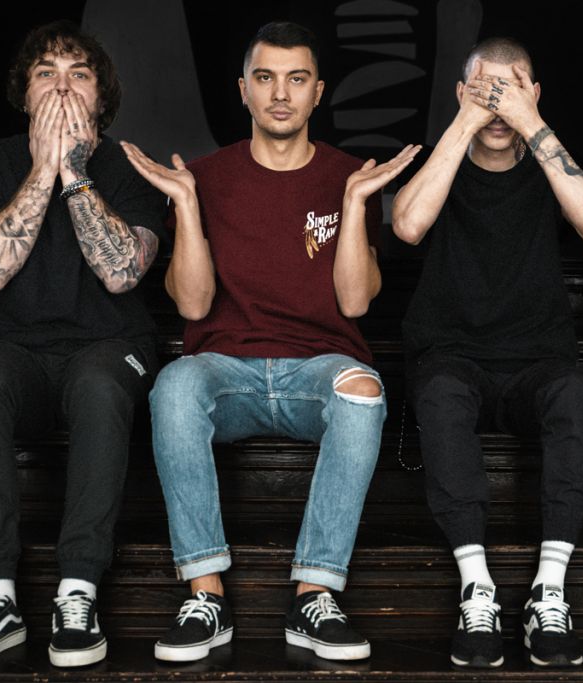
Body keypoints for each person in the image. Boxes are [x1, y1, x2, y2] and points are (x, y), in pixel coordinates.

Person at [122, 21, 420, 662]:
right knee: (174, 385)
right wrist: (187, 207)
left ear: (318, 92)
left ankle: (314, 595)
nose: (280, 94)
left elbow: (355, 303)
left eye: (296, 79)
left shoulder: (349, 176)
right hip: (226, 372)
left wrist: (355, 205)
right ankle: (206, 597)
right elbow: (193, 305)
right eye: (265, 78)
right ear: (243, 90)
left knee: (364, 391)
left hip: (318, 373)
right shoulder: (204, 177)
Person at [0, 20, 166, 668]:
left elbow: (121, 272)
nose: (63, 87)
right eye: (47, 73)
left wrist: (73, 172)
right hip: (12, 350)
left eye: (79, 74)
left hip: (108, 346)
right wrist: (42, 168)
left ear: (102, 96)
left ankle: (78, 591)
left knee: (99, 386)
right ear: (24, 92)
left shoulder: (131, 167)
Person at [391, 37, 583, 668]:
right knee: (439, 392)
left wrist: (529, 123)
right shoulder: (449, 158)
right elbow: (407, 225)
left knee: (577, 394)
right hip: (452, 358)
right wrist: (465, 121)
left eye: (509, 88)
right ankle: (476, 588)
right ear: (461, 93)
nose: (496, 103)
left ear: (534, 95)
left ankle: (550, 589)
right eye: (482, 89)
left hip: (537, 361)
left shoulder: (546, 160)